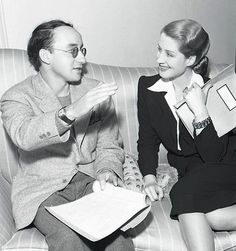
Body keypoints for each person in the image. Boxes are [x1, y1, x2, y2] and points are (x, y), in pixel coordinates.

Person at [0, 19, 134, 251]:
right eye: (73, 51)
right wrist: (72, 112)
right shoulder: (17, 96)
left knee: (119, 241)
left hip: (91, 183)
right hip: (43, 190)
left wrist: (106, 172)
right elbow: (24, 135)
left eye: (82, 50)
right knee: (68, 239)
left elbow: (110, 146)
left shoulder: (96, 91)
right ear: (46, 55)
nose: (82, 58)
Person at [137, 19, 236, 251]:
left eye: (169, 54)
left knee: (182, 191)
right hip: (192, 173)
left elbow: (214, 157)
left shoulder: (214, 90)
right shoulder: (148, 89)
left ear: (190, 59)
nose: (159, 59)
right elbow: (147, 140)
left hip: (227, 165)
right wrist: (149, 177)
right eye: (159, 49)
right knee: (215, 218)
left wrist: (200, 110)